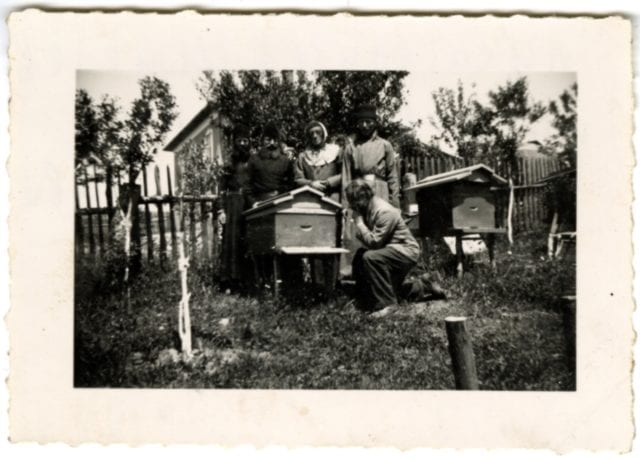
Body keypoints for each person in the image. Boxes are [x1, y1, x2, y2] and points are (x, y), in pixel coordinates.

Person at [345, 179, 420, 317]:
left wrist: (359, 224)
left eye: (353, 202)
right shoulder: (368, 206)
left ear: (362, 198)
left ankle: (388, 305)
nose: (352, 207)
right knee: (361, 255)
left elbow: (374, 243)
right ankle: (364, 298)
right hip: (391, 249)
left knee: (370, 257)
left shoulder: (384, 211)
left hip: (405, 251)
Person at [345, 104, 400, 208]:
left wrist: (395, 204)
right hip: (359, 195)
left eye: (368, 122)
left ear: (375, 123)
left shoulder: (385, 145)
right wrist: (346, 206)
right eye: (361, 122)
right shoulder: (351, 148)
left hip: (381, 194)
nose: (365, 125)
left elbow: (393, 177)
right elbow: (346, 179)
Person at [218, 124, 252, 291]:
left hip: (248, 204)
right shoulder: (229, 164)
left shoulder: (253, 162)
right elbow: (221, 189)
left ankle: (245, 281)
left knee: (246, 241)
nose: (243, 144)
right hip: (232, 205)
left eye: (246, 140)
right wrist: (221, 210)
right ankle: (228, 282)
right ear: (235, 142)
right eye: (240, 141)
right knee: (230, 243)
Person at [293, 120, 344, 203]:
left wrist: (329, 182)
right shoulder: (303, 156)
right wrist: (311, 184)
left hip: (332, 197)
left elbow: (344, 173)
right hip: (310, 198)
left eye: (318, 132)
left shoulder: (335, 151)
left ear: (324, 133)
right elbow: (298, 179)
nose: (315, 136)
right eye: (311, 133)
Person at [246, 122, 293, 206]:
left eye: (275, 140)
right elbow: (247, 184)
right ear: (262, 141)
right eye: (268, 140)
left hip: (280, 201)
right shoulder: (254, 159)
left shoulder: (285, 161)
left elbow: (290, 184)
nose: (271, 143)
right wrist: (253, 202)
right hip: (259, 202)